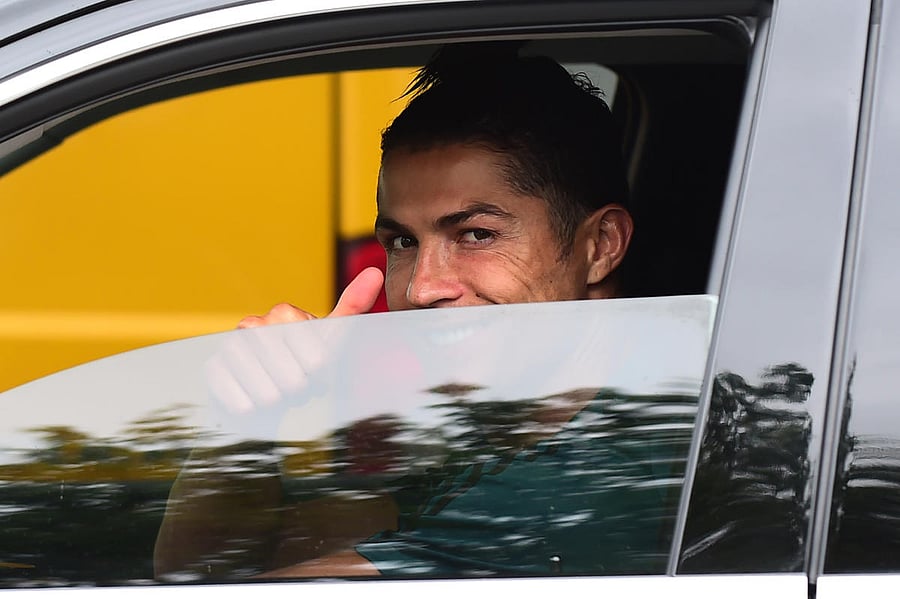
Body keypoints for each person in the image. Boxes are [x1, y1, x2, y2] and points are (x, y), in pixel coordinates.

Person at [155, 42, 639, 580]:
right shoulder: (516, 423)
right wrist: (243, 419)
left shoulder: (609, 466)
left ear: (600, 245)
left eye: (477, 234)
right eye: (403, 242)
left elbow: (203, 587)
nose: (422, 288)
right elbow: (212, 564)